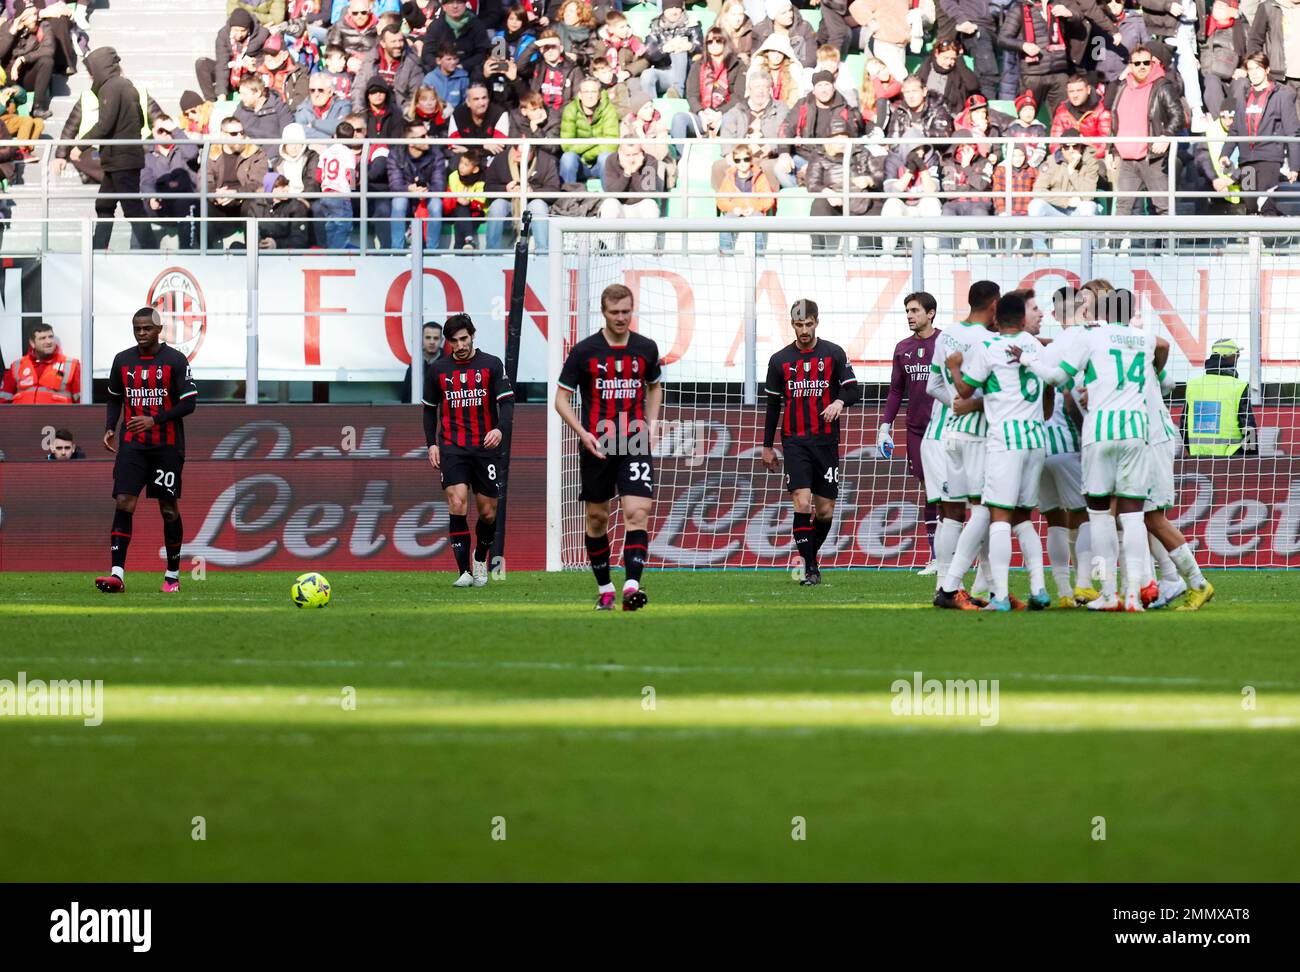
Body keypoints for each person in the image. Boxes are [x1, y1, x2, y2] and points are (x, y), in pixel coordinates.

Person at [1013, 290, 1171, 612]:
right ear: (1131, 312)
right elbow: (1163, 352)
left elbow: (1058, 378)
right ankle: (1134, 595)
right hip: (1137, 432)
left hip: (1099, 432)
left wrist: (1028, 359)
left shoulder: (1090, 338)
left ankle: (1108, 593)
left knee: (1097, 517)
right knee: (1133, 517)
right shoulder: (1144, 339)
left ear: (1097, 311)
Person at [555, 283, 663, 611]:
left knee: (637, 513)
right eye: (614, 312)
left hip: (634, 441)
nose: (621, 318)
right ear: (603, 312)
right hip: (597, 444)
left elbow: (655, 387)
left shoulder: (646, 348)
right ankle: (605, 588)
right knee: (597, 518)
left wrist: (652, 424)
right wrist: (582, 432)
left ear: (633, 310)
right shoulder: (584, 351)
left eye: (626, 312)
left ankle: (631, 587)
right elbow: (561, 399)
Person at [946, 292, 1052, 611]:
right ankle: (1039, 589)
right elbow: (1049, 399)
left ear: (996, 319)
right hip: (1036, 439)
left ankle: (1002, 597)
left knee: (1000, 517)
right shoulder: (1038, 347)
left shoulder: (987, 347)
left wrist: (954, 367)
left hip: (1004, 441)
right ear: (1021, 319)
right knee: (1025, 518)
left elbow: (965, 390)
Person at [96, 307, 199, 595]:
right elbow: (115, 399)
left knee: (168, 509)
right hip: (132, 447)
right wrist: (110, 427)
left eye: (146, 329)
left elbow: (189, 403)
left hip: (166, 447)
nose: (141, 334)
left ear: (159, 329)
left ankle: (172, 575)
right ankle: (117, 574)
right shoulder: (122, 360)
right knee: (124, 502)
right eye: (137, 329)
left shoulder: (175, 361)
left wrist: (154, 419)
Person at [760, 298, 861, 586]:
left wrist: (839, 401)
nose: (803, 330)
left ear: (817, 321)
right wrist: (767, 445)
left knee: (825, 510)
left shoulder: (834, 354)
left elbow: (855, 391)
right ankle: (811, 571)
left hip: (826, 442)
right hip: (795, 442)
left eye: (808, 324)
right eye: (798, 324)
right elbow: (772, 406)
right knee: (802, 503)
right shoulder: (779, 360)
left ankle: (806, 557)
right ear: (791, 324)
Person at [422, 313, 515, 588]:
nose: (460, 345)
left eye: (464, 339)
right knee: (458, 502)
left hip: (485, 448)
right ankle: (464, 571)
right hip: (453, 447)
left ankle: (479, 558)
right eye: (454, 341)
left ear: (472, 335)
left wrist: (499, 429)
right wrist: (431, 444)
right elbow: (429, 410)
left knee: (488, 512)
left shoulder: (491, 365)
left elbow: (508, 404)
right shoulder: (438, 370)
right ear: (447, 342)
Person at [933, 280, 1002, 610]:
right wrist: (968, 404)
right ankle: (965, 585)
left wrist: (953, 403)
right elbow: (998, 393)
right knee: (984, 511)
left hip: (951, 433)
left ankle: (949, 581)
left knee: (952, 513)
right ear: (993, 306)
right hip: (979, 437)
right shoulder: (990, 340)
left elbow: (933, 384)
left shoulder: (945, 334)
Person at [878, 292, 943, 575]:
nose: (909, 315)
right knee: (929, 490)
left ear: (930, 313)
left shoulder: (946, 343)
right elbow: (895, 390)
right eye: (907, 311)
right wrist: (884, 426)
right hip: (916, 429)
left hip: (944, 428)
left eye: (914, 310)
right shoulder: (902, 348)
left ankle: (952, 554)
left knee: (947, 492)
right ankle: (937, 556)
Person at [81, 47, 153, 250]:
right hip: (118, 159)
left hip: (122, 159)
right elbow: (138, 119)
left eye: (91, 70)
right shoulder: (125, 86)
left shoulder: (110, 88)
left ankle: (151, 250)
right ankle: (97, 249)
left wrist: (79, 145)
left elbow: (105, 124)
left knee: (132, 207)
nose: (89, 75)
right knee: (104, 205)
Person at [1105, 43, 1184, 218]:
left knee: (1164, 206)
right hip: (1126, 158)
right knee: (1122, 208)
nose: (1142, 67)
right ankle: (1115, 245)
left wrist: (1166, 136)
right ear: (1130, 65)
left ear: (1153, 64)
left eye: (1146, 63)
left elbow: (1178, 116)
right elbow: (1114, 118)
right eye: (1137, 63)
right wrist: (1110, 149)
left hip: (1152, 158)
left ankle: (1168, 245)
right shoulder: (1123, 86)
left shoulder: (1162, 86)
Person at [1227, 52, 1300, 215]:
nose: (1253, 73)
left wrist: (1295, 166)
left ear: (1267, 70)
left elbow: (1292, 132)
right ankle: (1277, 229)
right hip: (1246, 159)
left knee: (1264, 202)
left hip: (1269, 158)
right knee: (1251, 204)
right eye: (1250, 69)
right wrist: (1225, 153)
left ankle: (1275, 236)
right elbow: (1235, 129)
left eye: (1258, 68)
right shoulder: (1243, 95)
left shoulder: (1281, 95)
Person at [1181, 337, 1258, 456]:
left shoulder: (1193, 385)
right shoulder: (1238, 386)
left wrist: (1193, 450)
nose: (1237, 359)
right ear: (1231, 357)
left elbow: (1184, 426)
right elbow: (1248, 427)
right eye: (1236, 356)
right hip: (1231, 460)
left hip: (1198, 459)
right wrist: (1251, 459)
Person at [484, 139, 558, 250]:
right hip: (509, 205)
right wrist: (505, 190)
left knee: (538, 205)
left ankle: (543, 253)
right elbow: (488, 188)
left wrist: (532, 192)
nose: (519, 154)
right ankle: (492, 253)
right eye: (516, 150)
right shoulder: (501, 159)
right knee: (497, 206)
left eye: (523, 153)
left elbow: (554, 190)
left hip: (533, 204)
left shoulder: (546, 161)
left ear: (532, 151)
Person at [206, 116, 271, 244]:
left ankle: (253, 254)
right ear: (223, 135)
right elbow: (204, 181)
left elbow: (258, 183)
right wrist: (215, 195)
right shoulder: (211, 153)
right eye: (234, 134)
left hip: (244, 202)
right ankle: (206, 256)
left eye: (242, 132)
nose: (240, 137)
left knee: (255, 204)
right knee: (201, 206)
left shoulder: (256, 153)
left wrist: (236, 194)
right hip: (219, 203)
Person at [142, 116, 201, 250]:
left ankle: (186, 251)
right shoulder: (148, 155)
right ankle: (143, 255)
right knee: (137, 208)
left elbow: (193, 153)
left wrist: (175, 130)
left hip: (185, 202)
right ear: (153, 132)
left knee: (184, 202)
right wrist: (151, 196)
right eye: (160, 130)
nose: (164, 134)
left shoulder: (184, 149)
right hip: (162, 203)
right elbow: (146, 181)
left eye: (168, 131)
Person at [673, 27, 743, 140]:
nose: (713, 44)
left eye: (718, 40)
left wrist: (719, 113)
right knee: (679, 119)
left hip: (726, 114)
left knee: (730, 119)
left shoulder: (738, 65)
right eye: (710, 42)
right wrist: (701, 113)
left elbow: (738, 96)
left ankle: (727, 155)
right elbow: (692, 95)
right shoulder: (697, 65)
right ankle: (680, 157)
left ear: (725, 42)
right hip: (702, 115)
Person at [387, 119, 448, 249]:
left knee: (436, 204)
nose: (427, 138)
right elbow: (395, 185)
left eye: (427, 134)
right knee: (398, 201)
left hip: (428, 195)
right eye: (422, 136)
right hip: (406, 196)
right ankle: (397, 251)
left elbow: (439, 186)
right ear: (410, 143)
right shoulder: (395, 155)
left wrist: (425, 190)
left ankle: (432, 252)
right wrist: (409, 189)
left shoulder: (436, 154)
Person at [197, 8, 269, 102]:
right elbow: (222, 64)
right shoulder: (223, 35)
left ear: (249, 28)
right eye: (236, 30)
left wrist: (255, 65)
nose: (239, 35)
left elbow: (267, 58)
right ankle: (211, 102)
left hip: (248, 74)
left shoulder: (262, 34)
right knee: (202, 64)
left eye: (243, 31)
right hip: (230, 71)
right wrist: (222, 95)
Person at [716, 141, 777, 251]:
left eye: (746, 159)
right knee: (724, 223)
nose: (742, 163)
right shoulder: (729, 177)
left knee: (759, 222)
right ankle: (725, 255)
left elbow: (768, 199)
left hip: (754, 211)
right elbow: (721, 200)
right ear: (734, 161)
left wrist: (754, 208)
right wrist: (733, 209)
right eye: (738, 160)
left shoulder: (760, 176)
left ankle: (759, 254)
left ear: (751, 160)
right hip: (735, 211)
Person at [1, 323, 81, 404]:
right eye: (42, 338)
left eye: (51, 337)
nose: (49, 341)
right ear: (32, 343)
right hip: (22, 416)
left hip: (58, 416)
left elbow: (82, 401)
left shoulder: (71, 365)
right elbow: (3, 399)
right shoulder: (17, 365)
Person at [559, 74, 618, 184]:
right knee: (568, 158)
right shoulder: (570, 110)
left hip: (599, 164)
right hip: (579, 164)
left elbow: (611, 145)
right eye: (586, 92)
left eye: (593, 92)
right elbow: (567, 146)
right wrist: (596, 141)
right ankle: (568, 199)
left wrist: (586, 156)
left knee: (606, 157)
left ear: (599, 95)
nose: (590, 96)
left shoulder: (609, 110)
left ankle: (610, 198)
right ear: (580, 95)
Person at [0, 1, 55, 119]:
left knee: (47, 61)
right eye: (30, 15)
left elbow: (49, 50)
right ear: (21, 17)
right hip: (10, 77)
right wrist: (12, 33)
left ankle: (37, 107)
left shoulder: (43, 26)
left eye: (35, 14)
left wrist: (23, 59)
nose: (35, 18)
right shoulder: (7, 27)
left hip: (30, 75)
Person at [354, 22, 424, 114]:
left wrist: (406, 115)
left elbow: (416, 94)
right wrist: (360, 113)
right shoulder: (370, 60)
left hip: (399, 112)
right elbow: (359, 88)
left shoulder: (412, 63)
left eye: (400, 40)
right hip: (371, 112)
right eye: (393, 42)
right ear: (383, 43)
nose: (398, 45)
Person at [641, 0, 702, 98]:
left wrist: (690, 46)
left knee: (679, 50)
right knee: (647, 75)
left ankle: (677, 93)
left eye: (677, 8)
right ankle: (650, 107)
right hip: (665, 71)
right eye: (670, 8)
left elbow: (702, 47)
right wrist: (664, 49)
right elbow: (649, 52)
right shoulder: (655, 25)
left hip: (687, 73)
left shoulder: (692, 24)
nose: (674, 12)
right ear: (664, 10)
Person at [420, 0, 491, 79]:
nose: (455, 6)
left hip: (469, 72)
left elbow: (482, 53)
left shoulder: (476, 25)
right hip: (441, 73)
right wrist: (442, 66)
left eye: (459, 2)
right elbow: (427, 54)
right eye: (450, 2)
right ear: (444, 7)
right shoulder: (436, 26)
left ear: (465, 4)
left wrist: (462, 66)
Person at [915, 35, 982, 115]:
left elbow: (973, 86)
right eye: (945, 58)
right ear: (936, 54)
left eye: (952, 59)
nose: (949, 62)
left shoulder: (957, 70)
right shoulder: (927, 66)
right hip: (925, 112)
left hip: (949, 114)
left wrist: (960, 60)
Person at [444, 147, 487, 249]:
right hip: (454, 210)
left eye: (466, 165)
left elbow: (480, 203)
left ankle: (458, 248)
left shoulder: (481, 180)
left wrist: (468, 202)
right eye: (461, 163)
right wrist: (458, 199)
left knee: (462, 214)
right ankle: (469, 239)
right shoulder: (453, 176)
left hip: (475, 212)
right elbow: (450, 196)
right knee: (461, 208)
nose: (461, 167)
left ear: (475, 169)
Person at [297, 73, 351, 138]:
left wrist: (314, 124)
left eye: (320, 90)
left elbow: (342, 129)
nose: (316, 94)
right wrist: (331, 137)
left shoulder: (343, 106)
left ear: (330, 92)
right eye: (312, 90)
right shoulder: (303, 109)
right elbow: (300, 132)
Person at [402, 320, 443, 403]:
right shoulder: (414, 368)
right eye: (428, 337)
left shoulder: (448, 367)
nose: (432, 342)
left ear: (441, 340)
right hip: (415, 414)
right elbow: (405, 399)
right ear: (421, 339)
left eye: (436, 338)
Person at [424, 44, 470, 110]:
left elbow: (466, 102)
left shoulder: (463, 78)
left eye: (455, 58)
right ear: (438, 61)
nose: (453, 62)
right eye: (449, 59)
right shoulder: (429, 80)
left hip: (456, 116)